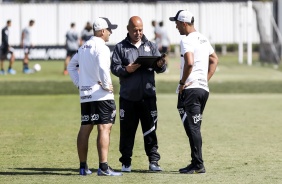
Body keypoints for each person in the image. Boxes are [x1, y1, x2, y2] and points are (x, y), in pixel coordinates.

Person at [111, 16, 167, 172]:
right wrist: (126, 70)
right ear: (128, 29)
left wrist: (161, 65)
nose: (138, 33)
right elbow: (114, 68)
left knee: (150, 130)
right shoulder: (120, 47)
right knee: (127, 131)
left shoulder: (151, 45)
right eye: (135, 30)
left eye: (141, 30)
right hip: (128, 97)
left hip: (148, 96)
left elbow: (160, 68)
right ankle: (126, 162)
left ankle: (153, 161)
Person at [67, 17, 122, 176]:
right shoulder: (102, 47)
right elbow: (103, 68)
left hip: (86, 95)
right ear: (103, 31)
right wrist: (106, 85)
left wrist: (79, 83)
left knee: (85, 128)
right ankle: (103, 167)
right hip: (101, 95)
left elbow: (71, 66)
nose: (110, 32)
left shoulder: (84, 46)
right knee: (104, 128)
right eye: (109, 29)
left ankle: (83, 167)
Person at [169, 10, 218, 174]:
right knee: (193, 126)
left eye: (176, 23)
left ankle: (198, 164)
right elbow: (214, 59)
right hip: (202, 89)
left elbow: (189, 63)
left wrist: (182, 83)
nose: (175, 26)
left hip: (191, 89)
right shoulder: (203, 38)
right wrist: (205, 79)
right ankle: (195, 162)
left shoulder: (187, 40)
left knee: (193, 127)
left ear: (183, 23)